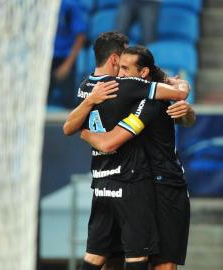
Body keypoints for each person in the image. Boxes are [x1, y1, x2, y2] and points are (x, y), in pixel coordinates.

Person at [63, 31, 190, 270]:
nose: (121, 73)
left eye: (126, 68)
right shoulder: (126, 87)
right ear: (113, 59)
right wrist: (181, 85)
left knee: (102, 256)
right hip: (130, 182)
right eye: (120, 65)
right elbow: (109, 142)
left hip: (124, 182)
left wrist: (83, 130)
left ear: (144, 74)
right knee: (133, 256)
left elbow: (68, 127)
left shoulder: (85, 87)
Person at [47, 0, 87, 109]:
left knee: (68, 104)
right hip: (44, 60)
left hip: (64, 58)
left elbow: (80, 36)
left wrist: (67, 65)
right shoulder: (40, 7)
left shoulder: (70, 4)